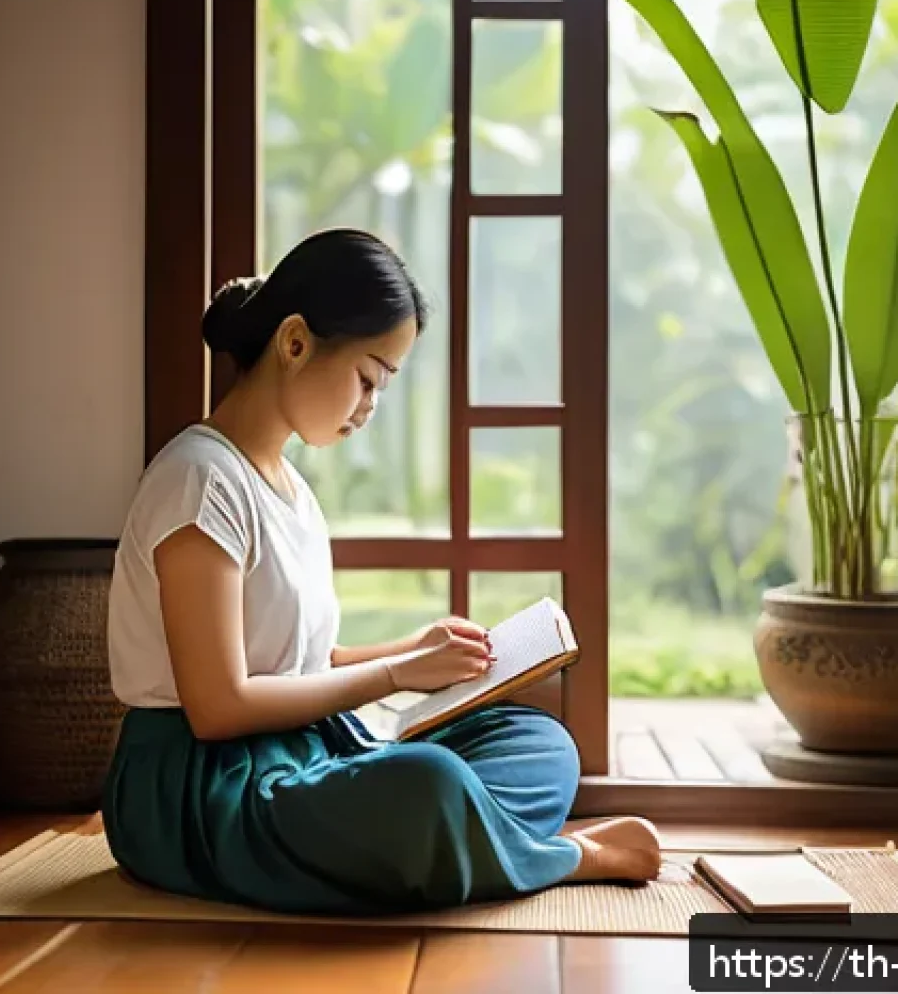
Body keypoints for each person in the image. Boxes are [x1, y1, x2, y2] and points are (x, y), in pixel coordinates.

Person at [101, 227, 661, 915]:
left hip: (300, 755)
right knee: (425, 784)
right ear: (296, 342)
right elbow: (218, 707)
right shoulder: (198, 482)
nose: (369, 407)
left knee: (538, 743)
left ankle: (459, 843)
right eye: (368, 378)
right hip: (201, 787)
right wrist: (396, 676)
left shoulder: (290, 490)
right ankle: (563, 857)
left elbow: (304, 660)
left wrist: (417, 650)